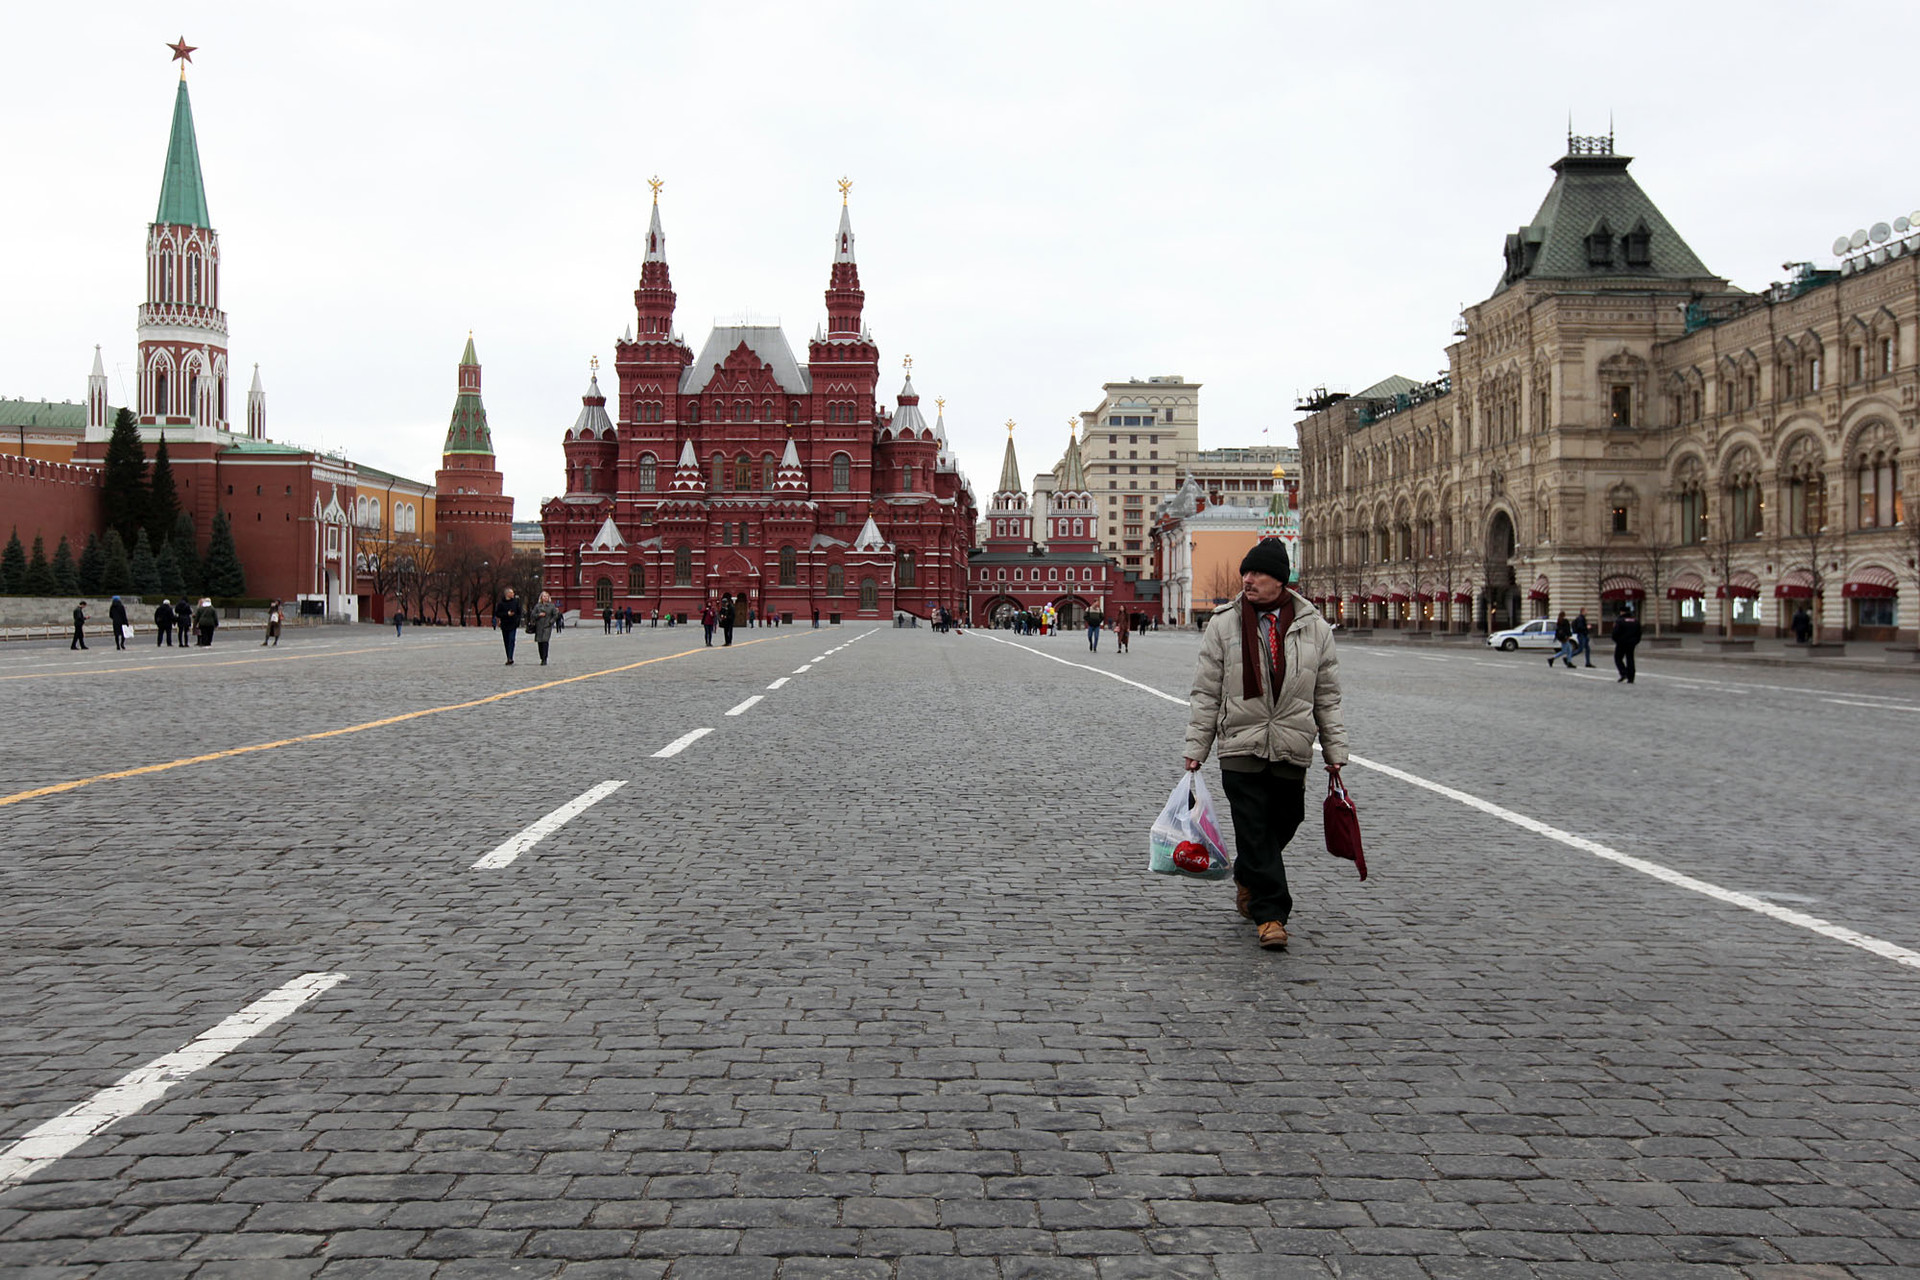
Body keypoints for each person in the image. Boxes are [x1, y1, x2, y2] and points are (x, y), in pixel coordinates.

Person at [1183, 539, 1349, 953]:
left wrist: (1335, 752)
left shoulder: (1315, 626)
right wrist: (1197, 746)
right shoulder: (1223, 624)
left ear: (1280, 579)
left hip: (1292, 741)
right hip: (1241, 742)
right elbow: (1206, 692)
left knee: (1287, 819)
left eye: (1257, 573)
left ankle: (1247, 874)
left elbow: (1326, 694)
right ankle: (1271, 914)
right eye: (1245, 573)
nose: (1248, 580)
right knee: (1254, 825)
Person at [530, 591, 562, 665]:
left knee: (545, 641)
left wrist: (551, 622)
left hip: (547, 626)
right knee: (540, 642)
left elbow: (555, 615)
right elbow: (532, 615)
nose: (545, 598)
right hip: (539, 626)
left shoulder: (551, 606)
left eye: (547, 596)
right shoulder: (537, 606)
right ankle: (541, 657)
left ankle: (544, 658)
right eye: (544, 596)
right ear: (541, 597)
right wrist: (539, 615)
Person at [1613, 605, 1643, 684]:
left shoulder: (1620, 621)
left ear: (1622, 612)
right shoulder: (1635, 621)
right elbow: (1639, 633)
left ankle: (1623, 672)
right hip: (1632, 643)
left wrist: (1617, 641)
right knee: (1630, 659)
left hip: (1621, 643)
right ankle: (1631, 677)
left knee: (1618, 658)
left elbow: (1615, 633)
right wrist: (1635, 641)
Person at [493, 587, 523, 665]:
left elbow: (519, 612)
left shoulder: (515, 602)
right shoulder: (501, 603)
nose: (513, 594)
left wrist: (517, 621)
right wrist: (507, 614)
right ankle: (508, 657)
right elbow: (497, 613)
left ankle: (510, 657)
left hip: (513, 624)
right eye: (512, 593)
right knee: (506, 641)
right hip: (505, 624)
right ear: (507, 594)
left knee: (512, 640)